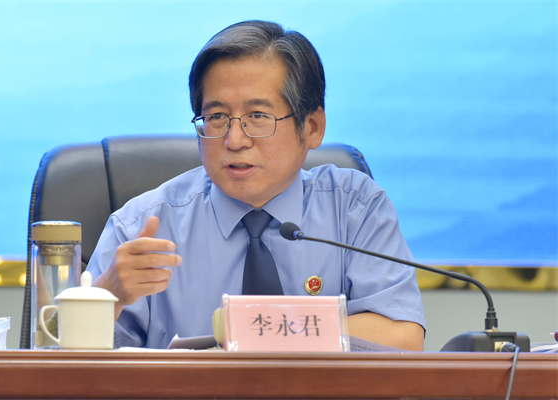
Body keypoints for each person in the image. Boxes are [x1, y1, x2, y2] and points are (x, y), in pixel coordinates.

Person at [87, 20, 426, 350]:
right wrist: (109, 294)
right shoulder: (139, 228)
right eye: (217, 117)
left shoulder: (354, 209)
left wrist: (258, 333)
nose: (235, 140)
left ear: (312, 127)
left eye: (258, 116)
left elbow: (402, 336)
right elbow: (70, 365)